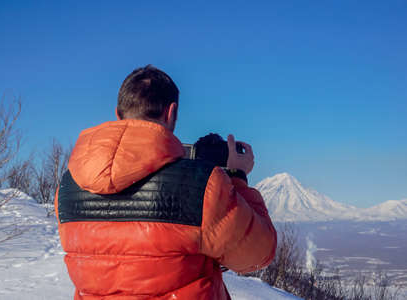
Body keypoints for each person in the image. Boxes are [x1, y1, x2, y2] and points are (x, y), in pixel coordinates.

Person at [55, 65, 277, 300]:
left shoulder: (68, 188)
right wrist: (238, 177)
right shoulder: (201, 187)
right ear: (171, 112)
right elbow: (257, 253)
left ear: (118, 114)